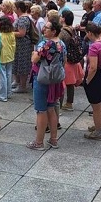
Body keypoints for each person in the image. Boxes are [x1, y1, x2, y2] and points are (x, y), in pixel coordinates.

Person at [27, 19, 65, 150]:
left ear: (54, 31)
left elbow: (34, 59)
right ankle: (53, 140)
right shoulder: (61, 44)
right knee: (51, 108)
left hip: (42, 78)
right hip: (55, 79)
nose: (44, 29)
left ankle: (38, 143)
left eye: (47, 28)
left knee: (41, 110)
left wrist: (34, 53)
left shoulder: (46, 44)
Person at [59, 9, 84, 111]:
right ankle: (69, 103)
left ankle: (59, 105)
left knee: (61, 84)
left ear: (63, 19)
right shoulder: (73, 29)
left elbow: (59, 46)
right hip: (74, 60)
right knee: (70, 84)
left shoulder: (63, 32)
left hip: (66, 61)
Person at [13, 0, 33, 93]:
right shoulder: (23, 18)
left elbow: (21, 33)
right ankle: (18, 82)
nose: (13, 9)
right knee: (18, 63)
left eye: (14, 8)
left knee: (23, 64)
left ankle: (22, 85)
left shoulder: (22, 19)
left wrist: (9, 33)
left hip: (23, 45)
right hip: (21, 45)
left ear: (19, 9)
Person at [0, 16, 16, 102]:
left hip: (1, 56)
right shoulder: (12, 34)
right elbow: (13, 45)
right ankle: (8, 92)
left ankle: (2, 95)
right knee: (9, 74)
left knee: (2, 76)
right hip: (10, 55)